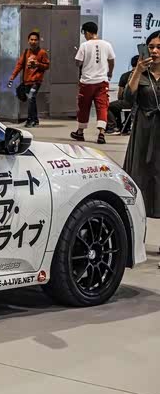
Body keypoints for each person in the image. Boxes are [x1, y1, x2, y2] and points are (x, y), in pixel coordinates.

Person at [122, 31, 160, 257]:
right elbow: (127, 98)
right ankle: (137, 242)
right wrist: (137, 70)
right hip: (143, 134)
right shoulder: (140, 74)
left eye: (159, 47)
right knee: (139, 183)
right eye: (151, 46)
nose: (154, 51)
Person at [70, 22, 115, 144]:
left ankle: (80, 132)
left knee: (84, 107)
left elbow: (78, 62)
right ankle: (101, 133)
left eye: (84, 33)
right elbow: (112, 60)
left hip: (87, 82)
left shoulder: (84, 45)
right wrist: (110, 73)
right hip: (102, 82)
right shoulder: (107, 44)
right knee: (102, 106)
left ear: (87, 32)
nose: (84, 36)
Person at [7, 32, 50, 127]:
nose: (33, 42)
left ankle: (30, 120)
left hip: (36, 81)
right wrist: (12, 77)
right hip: (27, 81)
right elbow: (19, 65)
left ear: (38, 41)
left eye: (35, 40)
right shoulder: (26, 52)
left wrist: (38, 64)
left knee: (31, 97)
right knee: (31, 99)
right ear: (28, 41)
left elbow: (47, 66)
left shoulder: (42, 53)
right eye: (31, 39)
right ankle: (35, 119)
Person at [106, 55, 139, 135]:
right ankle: (125, 127)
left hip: (128, 102)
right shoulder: (146, 75)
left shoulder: (125, 75)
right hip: (142, 104)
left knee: (108, 106)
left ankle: (113, 127)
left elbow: (120, 95)